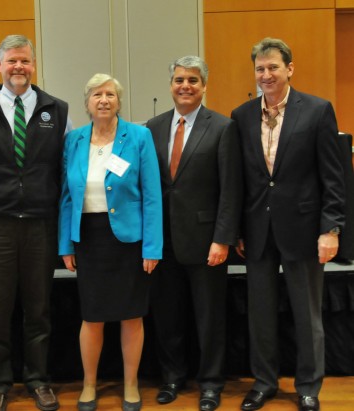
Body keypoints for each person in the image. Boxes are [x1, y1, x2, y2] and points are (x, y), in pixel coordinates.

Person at [231, 37, 345, 411]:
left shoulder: (316, 111)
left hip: (305, 231)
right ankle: (264, 382)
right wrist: (236, 231)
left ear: (289, 69)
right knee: (260, 315)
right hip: (258, 233)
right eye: (260, 69)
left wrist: (331, 229)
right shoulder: (241, 115)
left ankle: (309, 386)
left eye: (273, 67)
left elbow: (333, 177)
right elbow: (241, 180)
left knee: (306, 313)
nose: (266, 75)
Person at [0, 34, 71, 411]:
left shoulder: (56, 110)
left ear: (33, 64)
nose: (18, 67)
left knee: (38, 311)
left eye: (24, 61)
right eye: (11, 61)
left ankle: (38, 379)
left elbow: (65, 166)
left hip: (41, 224)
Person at [59, 73, 163, 411]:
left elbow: (152, 196)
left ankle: (131, 384)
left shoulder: (139, 136)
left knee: (132, 316)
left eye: (110, 94)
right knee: (92, 316)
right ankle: (89, 385)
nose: (104, 100)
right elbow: (66, 198)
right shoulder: (74, 140)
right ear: (87, 103)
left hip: (129, 241)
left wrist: (152, 246)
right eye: (96, 95)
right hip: (89, 240)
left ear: (118, 101)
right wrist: (65, 245)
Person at [145, 56, 242, 411]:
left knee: (209, 317)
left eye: (193, 80)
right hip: (162, 241)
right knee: (167, 314)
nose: (185, 86)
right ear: (170, 85)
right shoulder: (151, 127)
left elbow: (231, 190)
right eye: (179, 80)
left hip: (206, 242)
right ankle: (172, 377)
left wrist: (223, 238)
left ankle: (211, 383)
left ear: (204, 86)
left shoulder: (222, 127)